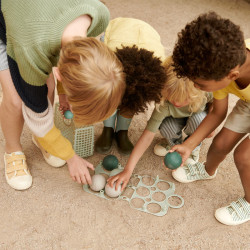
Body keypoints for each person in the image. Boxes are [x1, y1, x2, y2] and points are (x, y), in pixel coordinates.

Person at [0, 0, 125, 191]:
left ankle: (44, 140)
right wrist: (70, 157)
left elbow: (72, 59)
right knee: (16, 100)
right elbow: (37, 114)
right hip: (9, 26)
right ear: (59, 72)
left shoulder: (100, 16)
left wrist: (63, 93)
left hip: (38, 20)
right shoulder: (32, 48)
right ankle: (12, 150)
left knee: (47, 88)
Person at [171, 12, 250, 225]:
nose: (196, 88)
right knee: (220, 143)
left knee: (244, 156)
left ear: (232, 76)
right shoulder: (226, 60)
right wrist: (189, 145)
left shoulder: (226, 70)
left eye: (201, 85)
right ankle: (207, 170)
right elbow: (217, 112)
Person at [107, 56, 213, 191]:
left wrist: (211, 127)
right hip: (176, 120)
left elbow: (214, 106)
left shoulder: (203, 92)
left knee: (200, 121)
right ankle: (175, 145)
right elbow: (147, 135)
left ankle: (192, 146)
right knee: (166, 125)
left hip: (197, 115)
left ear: (195, 91)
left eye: (184, 99)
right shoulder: (164, 104)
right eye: (172, 97)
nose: (177, 103)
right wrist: (128, 170)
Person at [94, 17, 167, 155]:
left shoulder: (158, 64)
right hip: (116, 37)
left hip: (147, 37)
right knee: (109, 95)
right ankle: (108, 129)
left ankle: (122, 131)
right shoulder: (108, 57)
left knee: (132, 100)